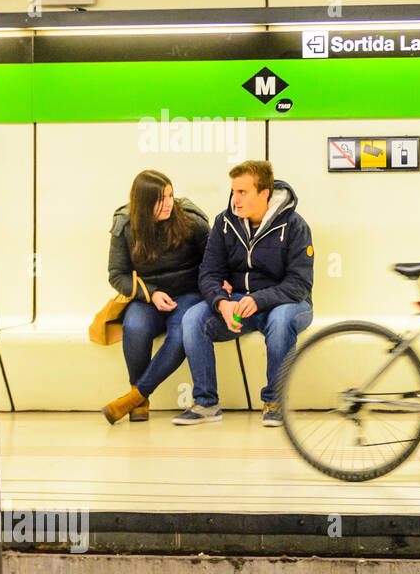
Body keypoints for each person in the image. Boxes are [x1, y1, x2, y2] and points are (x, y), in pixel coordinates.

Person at [174, 160, 314, 427]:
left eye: (243, 192)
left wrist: (258, 299)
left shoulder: (295, 226)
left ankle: (275, 401)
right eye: (233, 191)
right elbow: (209, 273)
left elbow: (299, 284)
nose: (234, 199)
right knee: (193, 318)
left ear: (264, 194)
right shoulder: (224, 223)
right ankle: (206, 403)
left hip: (289, 304)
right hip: (240, 304)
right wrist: (221, 303)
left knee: (282, 320)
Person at [101, 171, 210, 424]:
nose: (169, 203)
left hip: (188, 293)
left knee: (182, 333)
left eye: (170, 195)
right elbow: (117, 275)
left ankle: (135, 396)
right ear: (143, 202)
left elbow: (212, 266)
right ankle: (141, 400)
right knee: (134, 327)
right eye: (160, 199)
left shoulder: (193, 221)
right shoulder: (125, 224)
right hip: (148, 296)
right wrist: (150, 294)